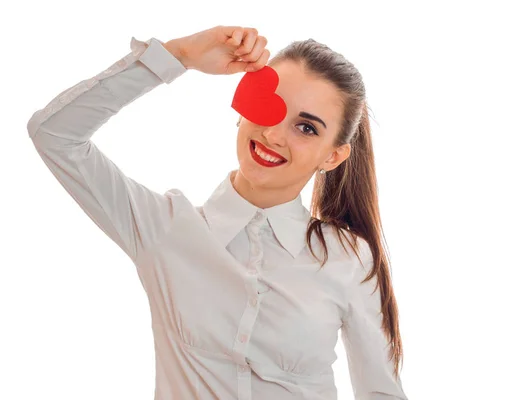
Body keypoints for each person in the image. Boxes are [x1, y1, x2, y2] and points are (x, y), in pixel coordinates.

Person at [27, 25, 408, 400]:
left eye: (306, 128)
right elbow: (54, 135)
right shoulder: (163, 227)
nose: (274, 134)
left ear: (333, 156)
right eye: (267, 105)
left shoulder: (347, 257)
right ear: (242, 108)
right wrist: (180, 56)